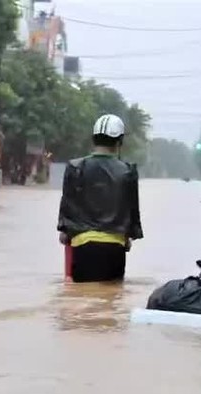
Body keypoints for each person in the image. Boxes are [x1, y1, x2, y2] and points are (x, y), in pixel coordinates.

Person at [56, 114, 144, 283]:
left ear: (93, 139)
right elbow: (133, 211)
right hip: (115, 247)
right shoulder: (127, 171)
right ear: (119, 142)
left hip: (82, 246)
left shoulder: (75, 167)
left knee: (80, 302)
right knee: (112, 299)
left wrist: (65, 232)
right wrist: (128, 237)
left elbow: (67, 205)